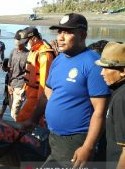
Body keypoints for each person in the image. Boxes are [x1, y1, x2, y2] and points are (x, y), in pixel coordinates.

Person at [22, 13, 111, 168]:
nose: (60, 37)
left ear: (82, 35)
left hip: (76, 140)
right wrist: (33, 119)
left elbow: (100, 112)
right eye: (59, 32)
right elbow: (46, 95)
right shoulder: (58, 60)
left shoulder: (92, 64)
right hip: (53, 135)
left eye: (67, 32)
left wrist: (88, 147)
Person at [95, 42, 125, 169]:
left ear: (123, 71)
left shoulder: (121, 98)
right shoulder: (117, 91)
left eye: (106, 68)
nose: (102, 73)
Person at [16, 27, 55, 123]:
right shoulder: (34, 51)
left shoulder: (44, 54)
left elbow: (44, 82)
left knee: (22, 120)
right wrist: (24, 89)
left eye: (26, 41)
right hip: (30, 93)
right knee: (23, 120)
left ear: (34, 38)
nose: (25, 44)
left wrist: (40, 104)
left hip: (37, 96)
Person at [6, 30, 29, 121]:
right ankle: (19, 129)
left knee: (14, 111)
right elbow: (10, 69)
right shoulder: (13, 52)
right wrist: (8, 84)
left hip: (21, 85)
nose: (19, 44)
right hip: (12, 84)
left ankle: (17, 131)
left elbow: (28, 73)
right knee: (12, 110)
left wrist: (25, 87)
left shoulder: (28, 54)